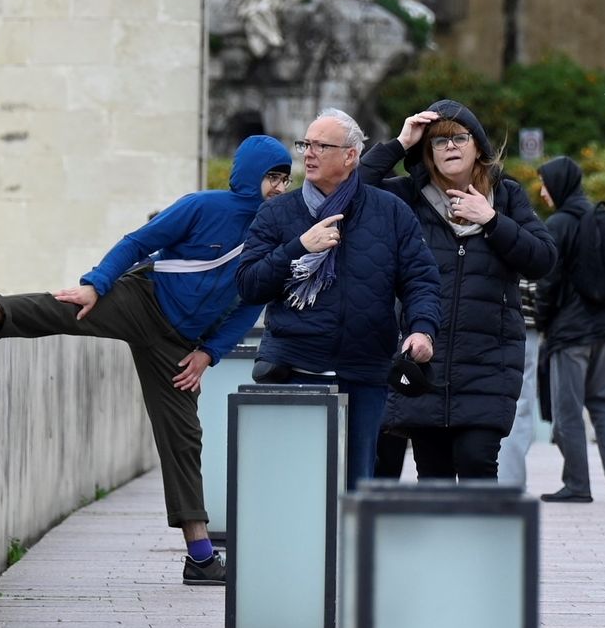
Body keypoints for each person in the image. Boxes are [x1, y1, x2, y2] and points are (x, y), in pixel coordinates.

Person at [0, 136, 294, 585]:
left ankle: (200, 558)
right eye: (271, 176)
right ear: (249, 175)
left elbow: (249, 305)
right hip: (143, 299)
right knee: (62, 308)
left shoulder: (273, 236)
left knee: (184, 438)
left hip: (179, 344)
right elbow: (139, 241)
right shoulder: (202, 205)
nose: (278, 187)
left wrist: (207, 354)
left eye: (284, 178)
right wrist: (97, 283)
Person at [235, 109, 441, 489]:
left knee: (355, 484)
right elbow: (248, 283)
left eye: (321, 145)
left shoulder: (390, 212)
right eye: (305, 144)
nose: (308, 153)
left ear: (350, 156)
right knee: (297, 485)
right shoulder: (278, 212)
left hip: (366, 372)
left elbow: (420, 279)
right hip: (295, 368)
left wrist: (423, 331)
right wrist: (299, 246)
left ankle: (348, 552)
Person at [362, 100, 556, 481]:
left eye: (459, 137)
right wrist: (400, 144)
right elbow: (354, 192)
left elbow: (543, 258)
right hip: (424, 361)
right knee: (432, 474)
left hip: (488, 361)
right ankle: (443, 544)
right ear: (428, 153)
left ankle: (483, 543)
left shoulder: (506, 195)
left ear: (478, 146)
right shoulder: (408, 197)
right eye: (438, 141)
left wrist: (492, 221)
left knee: (476, 462)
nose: (450, 146)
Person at [536, 155, 605, 503]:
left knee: (567, 412)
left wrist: (544, 322)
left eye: (545, 184)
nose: (543, 193)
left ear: (558, 184)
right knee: (602, 404)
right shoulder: (600, 218)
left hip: (570, 334)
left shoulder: (559, 225)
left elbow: (548, 282)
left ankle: (578, 484)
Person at [497, 276, 543, 487]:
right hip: (524, 323)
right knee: (520, 404)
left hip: (483, 319)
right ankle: (510, 480)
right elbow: (538, 289)